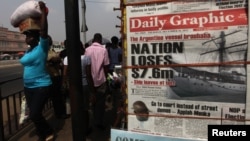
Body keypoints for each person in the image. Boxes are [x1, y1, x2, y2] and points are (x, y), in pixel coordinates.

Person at [19, 1, 54, 141]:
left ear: (37, 37)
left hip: (41, 86)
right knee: (33, 114)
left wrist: (43, 13)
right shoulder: (28, 51)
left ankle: (48, 131)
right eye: (26, 35)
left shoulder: (42, 47)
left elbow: (44, 31)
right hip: (28, 87)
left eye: (30, 35)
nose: (27, 38)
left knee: (34, 114)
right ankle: (42, 133)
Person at [85, 33, 110, 129]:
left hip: (90, 80)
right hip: (101, 79)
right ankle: (98, 121)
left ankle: (94, 118)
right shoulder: (104, 50)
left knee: (92, 100)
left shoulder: (87, 50)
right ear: (100, 40)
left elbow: (86, 65)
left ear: (93, 40)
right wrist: (107, 79)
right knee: (101, 102)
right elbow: (106, 66)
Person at [46, 35, 69, 119]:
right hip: (51, 77)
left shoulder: (51, 50)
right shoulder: (44, 52)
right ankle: (59, 113)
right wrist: (56, 60)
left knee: (58, 96)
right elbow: (55, 59)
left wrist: (56, 60)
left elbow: (57, 60)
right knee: (56, 97)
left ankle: (60, 112)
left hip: (56, 75)